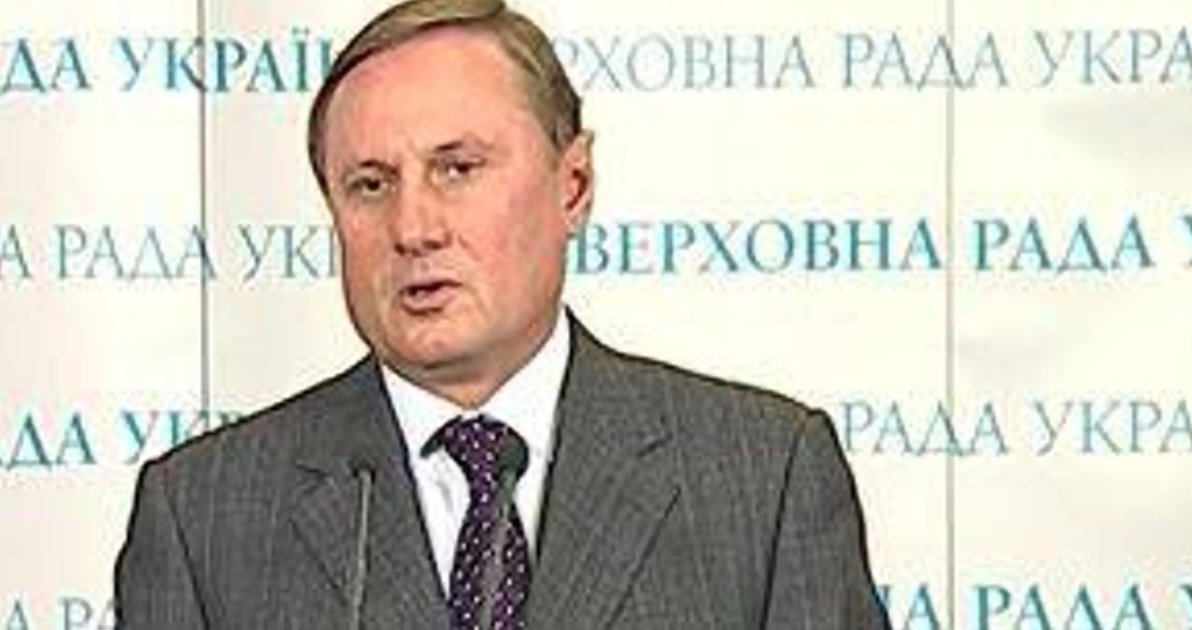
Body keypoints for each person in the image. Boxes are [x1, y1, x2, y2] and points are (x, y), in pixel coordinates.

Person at [114, 0, 889, 627]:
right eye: (371, 185)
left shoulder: (761, 478)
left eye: (457, 169)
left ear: (573, 185)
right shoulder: (204, 516)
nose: (414, 228)